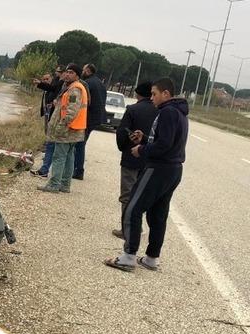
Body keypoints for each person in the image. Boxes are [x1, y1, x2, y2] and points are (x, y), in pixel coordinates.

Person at [104, 77, 188, 272]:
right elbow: (166, 141)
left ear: (165, 93)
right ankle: (151, 258)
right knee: (158, 214)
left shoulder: (167, 112)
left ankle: (128, 256)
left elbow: (164, 145)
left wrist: (141, 149)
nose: (151, 98)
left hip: (158, 168)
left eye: (154, 94)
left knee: (133, 208)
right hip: (173, 169)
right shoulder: (179, 112)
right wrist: (145, 139)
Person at [112, 82, 158, 239]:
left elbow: (121, 132)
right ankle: (137, 227)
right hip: (149, 158)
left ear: (138, 93)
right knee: (141, 194)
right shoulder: (159, 111)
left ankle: (127, 229)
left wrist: (123, 147)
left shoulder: (133, 109)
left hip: (131, 157)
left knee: (127, 194)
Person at [39, 63, 87, 193]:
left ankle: (54, 185)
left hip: (67, 129)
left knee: (59, 157)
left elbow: (71, 111)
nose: (67, 74)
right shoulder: (71, 87)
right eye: (67, 72)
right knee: (69, 157)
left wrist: (61, 126)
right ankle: (65, 185)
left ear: (77, 76)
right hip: (74, 129)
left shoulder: (75, 89)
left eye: (71, 72)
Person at [73, 63, 107, 180]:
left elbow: (85, 101)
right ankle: (76, 169)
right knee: (81, 143)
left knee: (79, 144)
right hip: (97, 118)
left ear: (87, 71)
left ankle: (78, 170)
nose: (82, 72)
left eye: (83, 70)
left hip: (88, 118)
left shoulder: (86, 83)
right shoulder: (100, 83)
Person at [32, 66, 65, 177]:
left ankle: (50, 172)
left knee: (55, 146)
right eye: (56, 72)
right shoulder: (60, 83)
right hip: (52, 115)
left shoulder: (66, 85)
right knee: (51, 143)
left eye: (59, 72)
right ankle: (46, 169)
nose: (57, 74)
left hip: (59, 121)